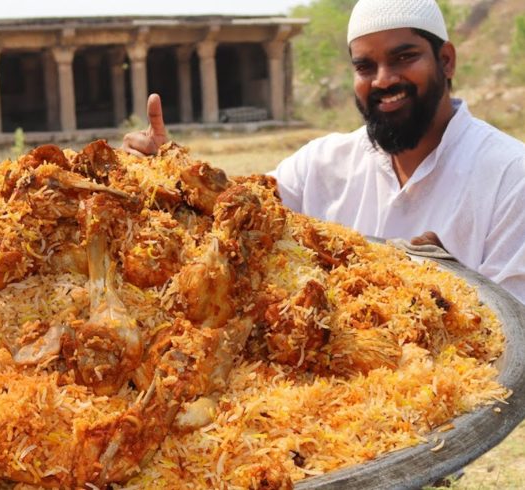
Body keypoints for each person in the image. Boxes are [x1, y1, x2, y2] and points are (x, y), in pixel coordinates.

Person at [122, 0, 525, 303]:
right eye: (366, 67)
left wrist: (440, 279)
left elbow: (514, 329)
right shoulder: (321, 164)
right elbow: (236, 210)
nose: (384, 80)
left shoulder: (509, 174)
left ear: (447, 60)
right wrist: (170, 174)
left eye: (404, 57)